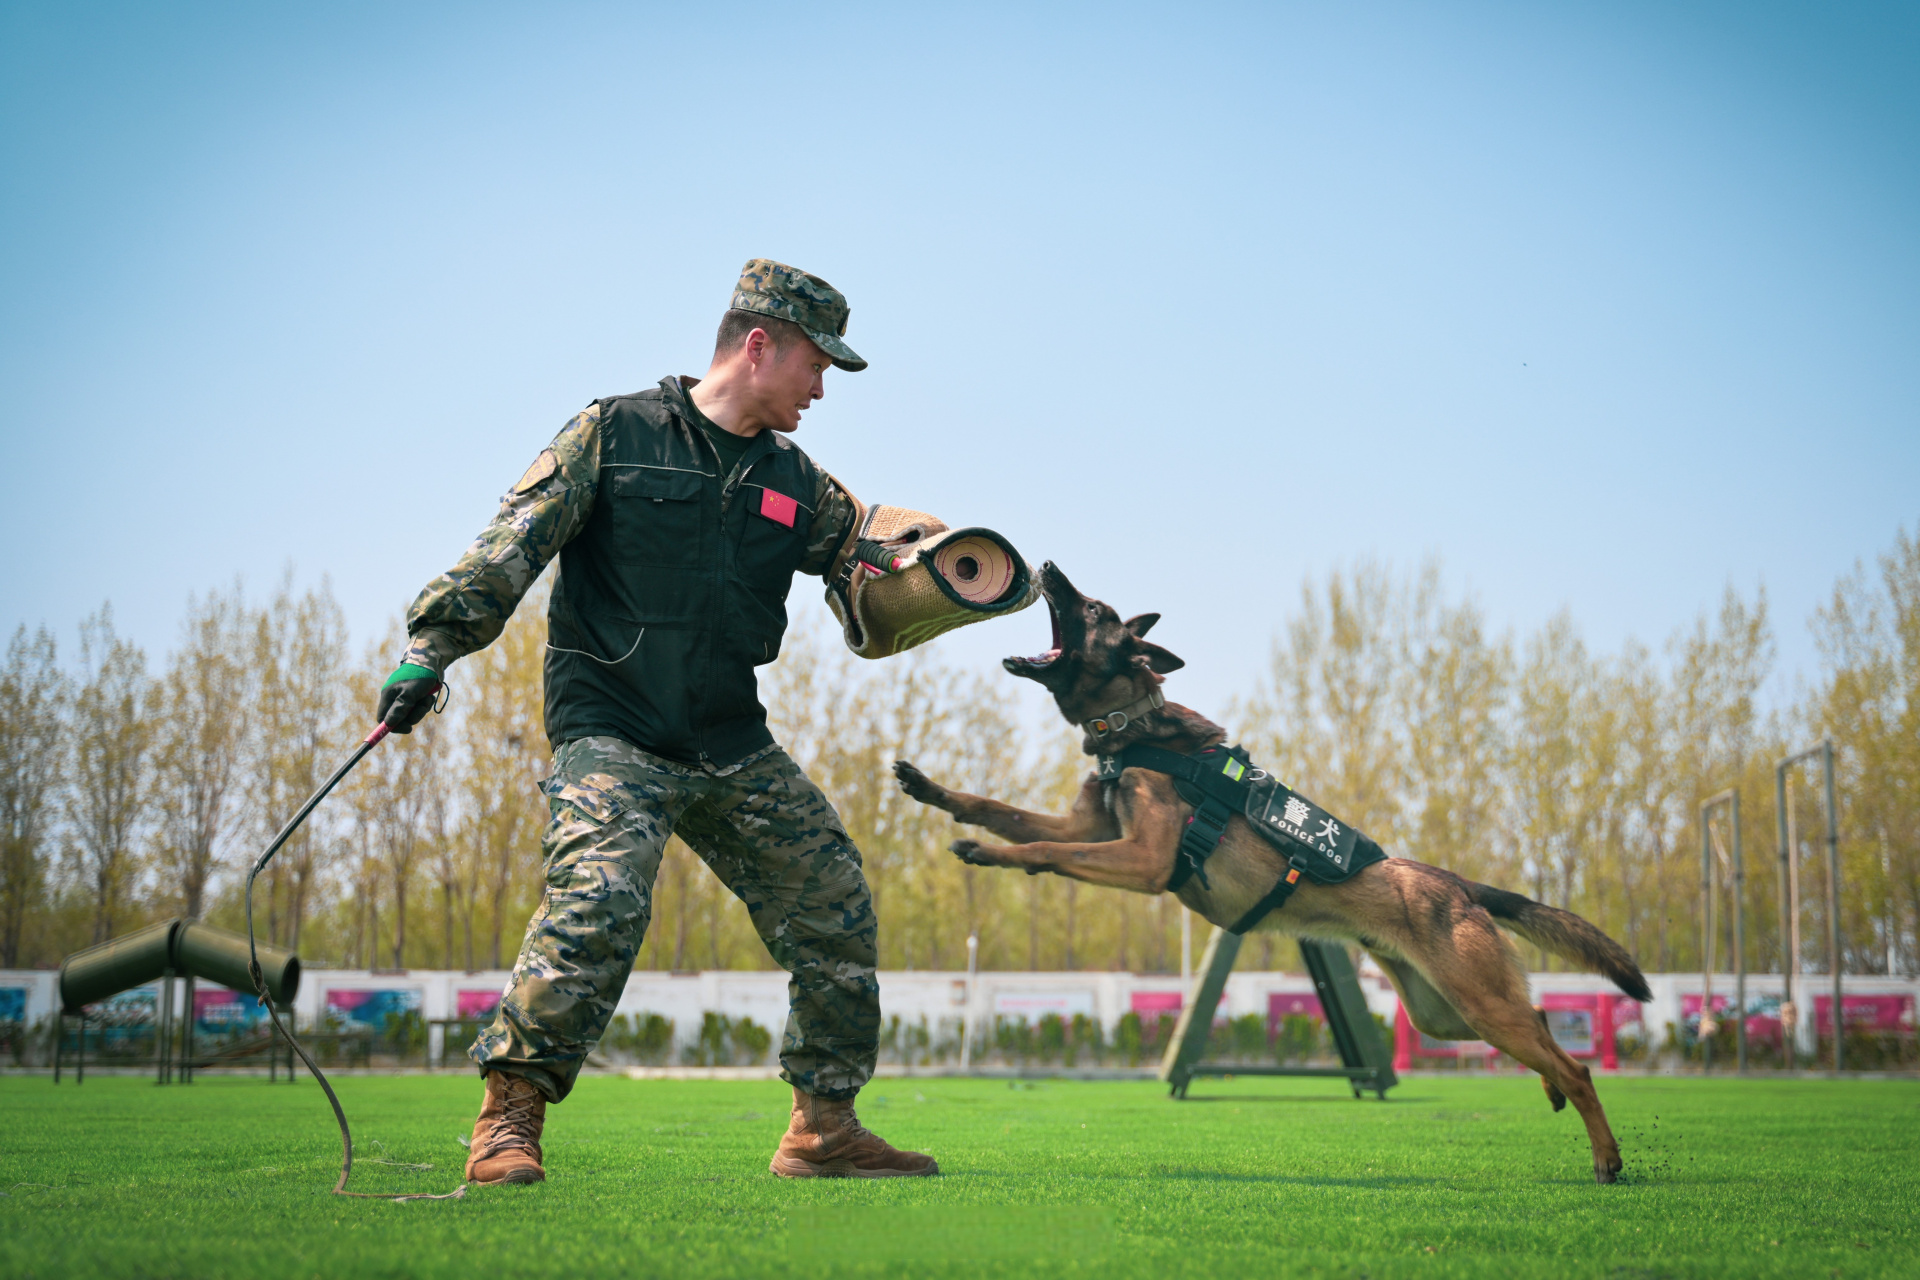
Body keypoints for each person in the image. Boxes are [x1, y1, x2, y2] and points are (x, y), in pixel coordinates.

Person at [378, 259, 937, 1183]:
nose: (822, 385)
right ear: (759, 345)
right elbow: (510, 544)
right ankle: (508, 1120)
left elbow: (874, 557)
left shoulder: (798, 480)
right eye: (816, 363)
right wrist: (431, 647)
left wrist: (964, 573)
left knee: (833, 901)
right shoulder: (615, 432)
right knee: (598, 901)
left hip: (728, 741)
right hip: (614, 731)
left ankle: (823, 1128)